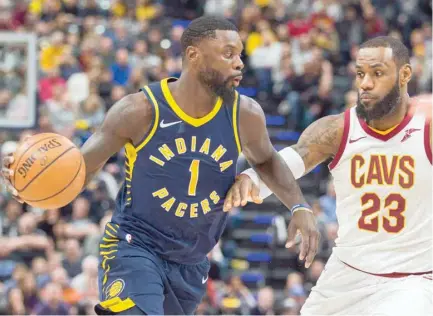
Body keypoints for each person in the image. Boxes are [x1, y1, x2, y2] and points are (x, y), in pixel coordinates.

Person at [1, 16, 319, 315]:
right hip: (134, 247)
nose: (239, 63)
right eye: (227, 54)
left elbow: (266, 160)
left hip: (192, 262)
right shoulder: (139, 110)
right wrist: (31, 180)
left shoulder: (245, 114)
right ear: (193, 55)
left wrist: (299, 207)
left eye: (239, 54)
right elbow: (78, 172)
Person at [225, 36, 433, 316]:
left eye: (378, 73)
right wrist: (253, 178)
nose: (366, 84)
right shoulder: (338, 129)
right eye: (360, 74)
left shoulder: (426, 127)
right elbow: (295, 157)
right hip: (348, 271)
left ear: (405, 74)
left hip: (413, 278)